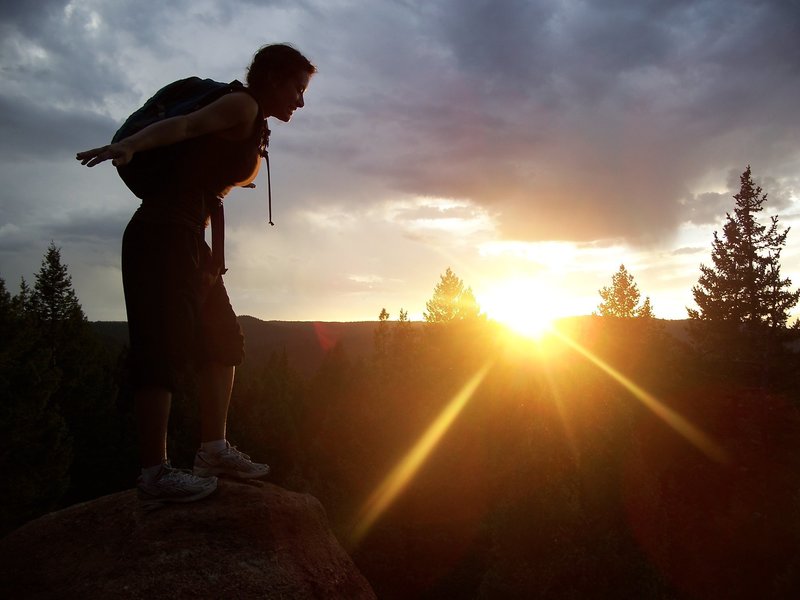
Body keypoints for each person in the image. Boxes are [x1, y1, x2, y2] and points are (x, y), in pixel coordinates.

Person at [77, 44, 316, 505]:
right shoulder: (242, 104)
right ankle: (154, 474)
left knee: (223, 340)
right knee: (160, 350)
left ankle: (213, 450)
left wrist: (210, 259)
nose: (301, 102)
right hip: (162, 234)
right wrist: (129, 145)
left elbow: (208, 176)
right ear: (271, 78)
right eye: (297, 89)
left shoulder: (254, 119)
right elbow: (185, 125)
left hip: (189, 241)